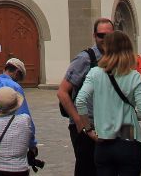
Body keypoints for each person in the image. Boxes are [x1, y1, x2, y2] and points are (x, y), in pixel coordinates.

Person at [76, 31, 141, 176]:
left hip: (104, 140)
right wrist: (130, 116)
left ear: (106, 49)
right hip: (128, 137)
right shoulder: (134, 76)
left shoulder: (95, 73)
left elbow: (80, 101)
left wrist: (89, 129)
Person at [58, 17, 114, 176]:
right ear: (94, 36)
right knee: (87, 169)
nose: (104, 39)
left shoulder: (117, 58)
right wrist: (79, 122)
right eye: (100, 35)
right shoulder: (85, 58)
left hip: (109, 126)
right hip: (86, 127)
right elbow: (62, 92)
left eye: (108, 35)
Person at [0, 58, 36, 151]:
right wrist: (32, 144)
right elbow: (25, 118)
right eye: (19, 79)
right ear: (17, 73)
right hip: (12, 142)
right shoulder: (15, 87)